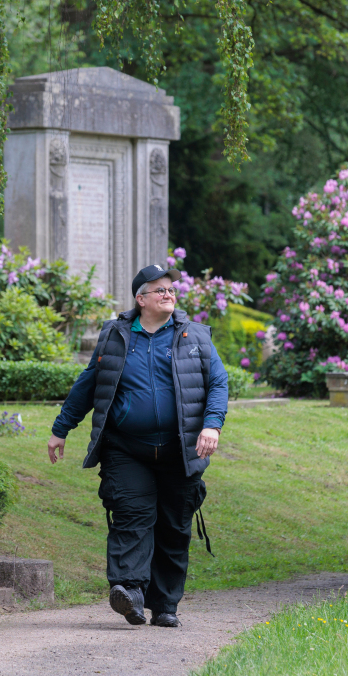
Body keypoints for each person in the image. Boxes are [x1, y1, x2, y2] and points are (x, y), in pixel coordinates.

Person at [47, 263, 228, 627]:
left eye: (170, 289)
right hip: (127, 448)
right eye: (158, 289)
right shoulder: (115, 336)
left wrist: (212, 425)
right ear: (140, 298)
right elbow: (89, 383)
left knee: (174, 527)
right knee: (131, 517)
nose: (168, 294)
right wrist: (61, 428)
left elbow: (218, 384)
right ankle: (129, 593)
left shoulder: (195, 336)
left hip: (181, 450)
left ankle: (165, 606)